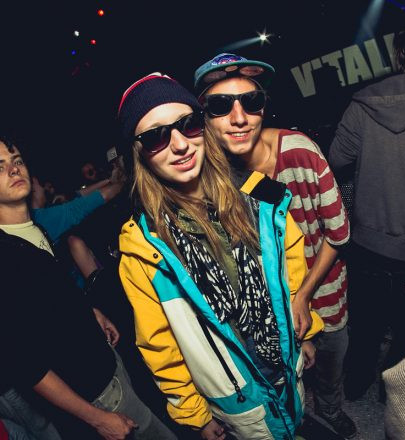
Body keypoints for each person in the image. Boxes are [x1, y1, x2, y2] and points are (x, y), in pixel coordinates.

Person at [117, 72, 323, 440]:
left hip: (285, 362)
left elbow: (291, 270)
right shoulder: (144, 251)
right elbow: (160, 346)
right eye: (155, 137)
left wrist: (306, 333)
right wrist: (195, 415)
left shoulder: (259, 198)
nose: (180, 144)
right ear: (139, 155)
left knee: (295, 422)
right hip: (236, 397)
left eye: (188, 124)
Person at [194, 54, 354, 438]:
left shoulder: (299, 151)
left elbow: (339, 233)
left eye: (251, 102)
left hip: (322, 290)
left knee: (331, 361)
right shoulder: (208, 176)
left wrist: (303, 296)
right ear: (204, 117)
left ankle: (330, 410)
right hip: (266, 310)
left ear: (263, 107)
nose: (239, 117)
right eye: (221, 105)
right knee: (283, 383)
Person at [0, 137, 177, 440]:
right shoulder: (6, 257)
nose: (14, 170)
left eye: (17, 161)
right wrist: (96, 419)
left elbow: (49, 298)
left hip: (106, 366)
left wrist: (90, 311)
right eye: (0, 167)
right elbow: (27, 366)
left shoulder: (33, 228)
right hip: (94, 395)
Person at [329, 25, 405, 400]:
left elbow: (337, 159)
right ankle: (392, 395)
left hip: (369, 245)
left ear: (397, 56)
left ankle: (356, 384)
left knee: (366, 325)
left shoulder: (364, 103)